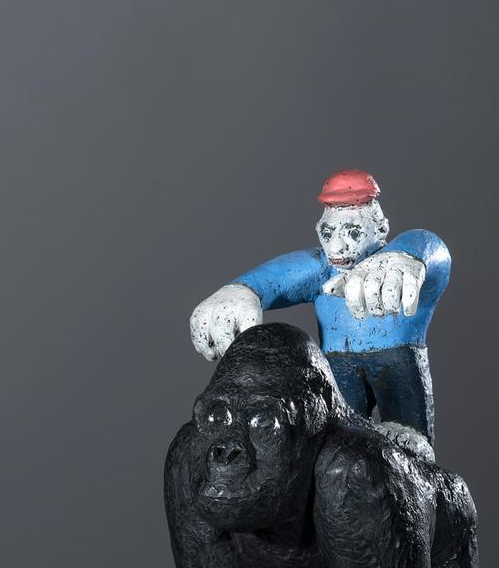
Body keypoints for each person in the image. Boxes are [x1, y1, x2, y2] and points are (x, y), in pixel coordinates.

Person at [188, 169, 450, 444]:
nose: (337, 246)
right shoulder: (323, 269)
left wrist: (405, 255)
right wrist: (241, 289)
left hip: (397, 363)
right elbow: (278, 276)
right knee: (334, 440)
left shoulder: (398, 265)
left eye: (353, 232)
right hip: (337, 365)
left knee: (409, 441)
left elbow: (431, 249)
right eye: (328, 232)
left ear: (381, 229)